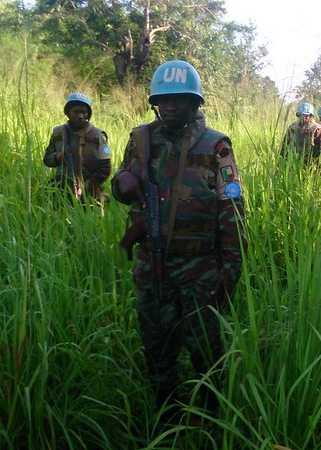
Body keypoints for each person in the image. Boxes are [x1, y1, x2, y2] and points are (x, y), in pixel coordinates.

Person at [111, 60, 246, 433]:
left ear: (194, 102)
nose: (170, 106)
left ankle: (211, 423)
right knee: (157, 348)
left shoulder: (215, 145)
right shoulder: (141, 140)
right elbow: (124, 185)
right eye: (163, 100)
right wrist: (120, 185)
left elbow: (232, 208)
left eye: (178, 100)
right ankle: (166, 421)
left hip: (201, 269)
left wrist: (229, 270)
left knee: (206, 352)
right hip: (151, 265)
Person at [43, 92, 111, 205]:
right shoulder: (58, 133)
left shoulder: (98, 136)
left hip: (90, 192)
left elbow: (106, 168)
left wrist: (87, 186)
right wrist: (57, 157)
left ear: (88, 115)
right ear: (68, 113)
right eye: (76, 112)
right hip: (61, 190)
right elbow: (47, 159)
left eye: (84, 112)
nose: (80, 116)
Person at [280, 102, 321, 166]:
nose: (304, 118)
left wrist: (318, 163)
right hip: (294, 161)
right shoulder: (292, 128)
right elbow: (285, 144)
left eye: (306, 116)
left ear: (310, 116)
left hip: (311, 163)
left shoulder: (316, 128)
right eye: (301, 115)